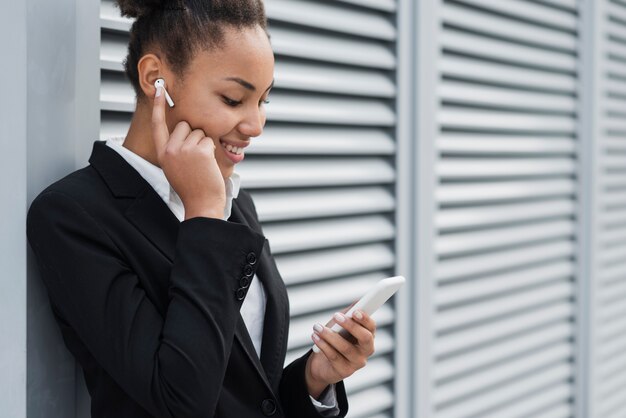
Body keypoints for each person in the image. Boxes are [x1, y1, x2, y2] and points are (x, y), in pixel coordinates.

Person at [25, 0, 377, 417]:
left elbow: (245, 393)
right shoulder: (74, 215)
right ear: (156, 79)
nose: (256, 125)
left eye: (263, 100)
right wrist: (205, 215)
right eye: (233, 99)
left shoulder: (234, 201)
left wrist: (314, 379)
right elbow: (181, 399)